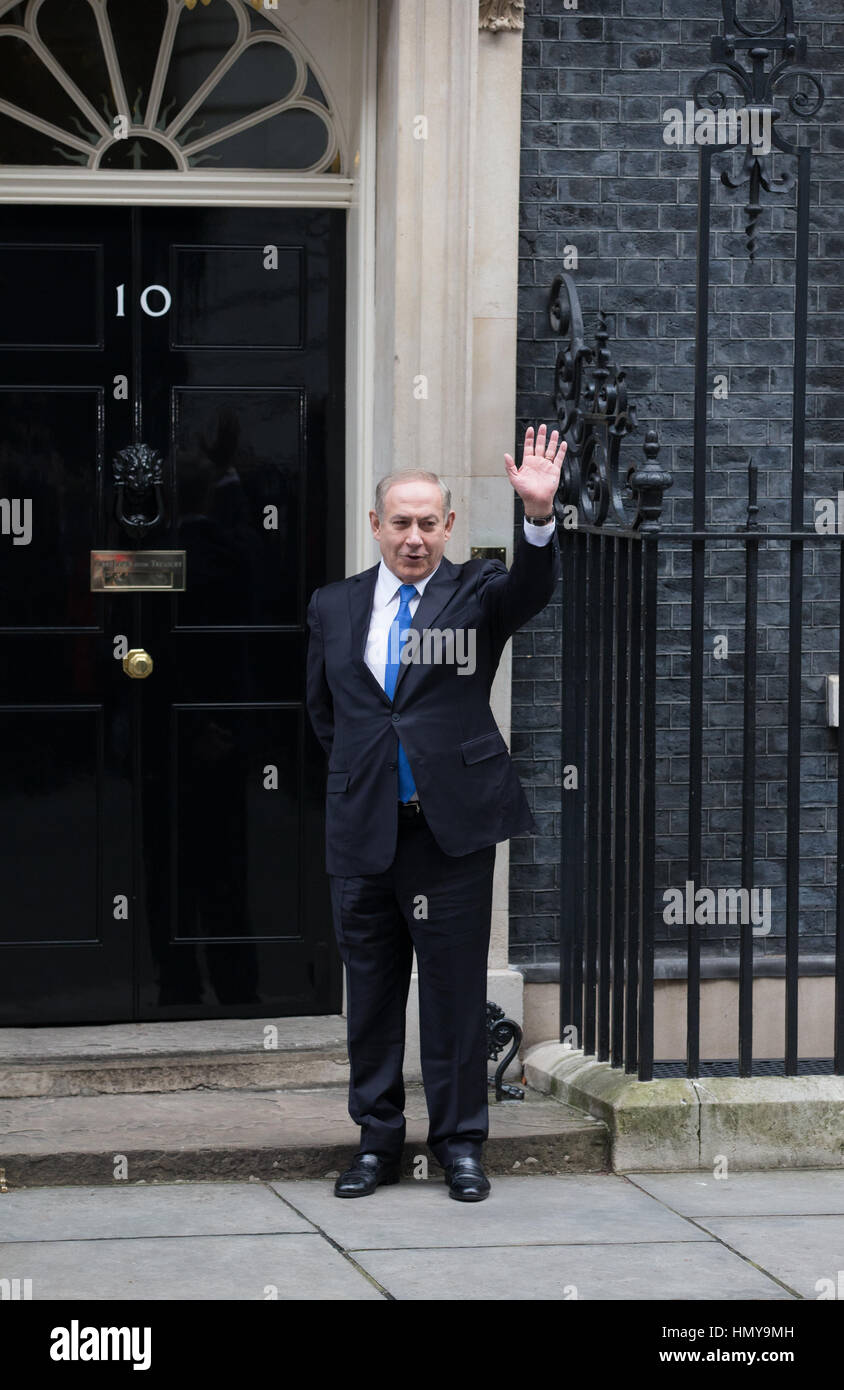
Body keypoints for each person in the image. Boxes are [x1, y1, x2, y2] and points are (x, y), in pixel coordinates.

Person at [305, 424, 565, 1201]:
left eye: (428, 523)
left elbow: (532, 590)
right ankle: (377, 1143)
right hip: (365, 830)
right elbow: (328, 714)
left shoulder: (476, 592)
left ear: (448, 527)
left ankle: (458, 1146)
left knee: (452, 995)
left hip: (450, 831)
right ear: (376, 525)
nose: (414, 537)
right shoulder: (334, 606)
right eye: (400, 522)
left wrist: (539, 518)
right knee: (373, 996)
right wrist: (369, 775)